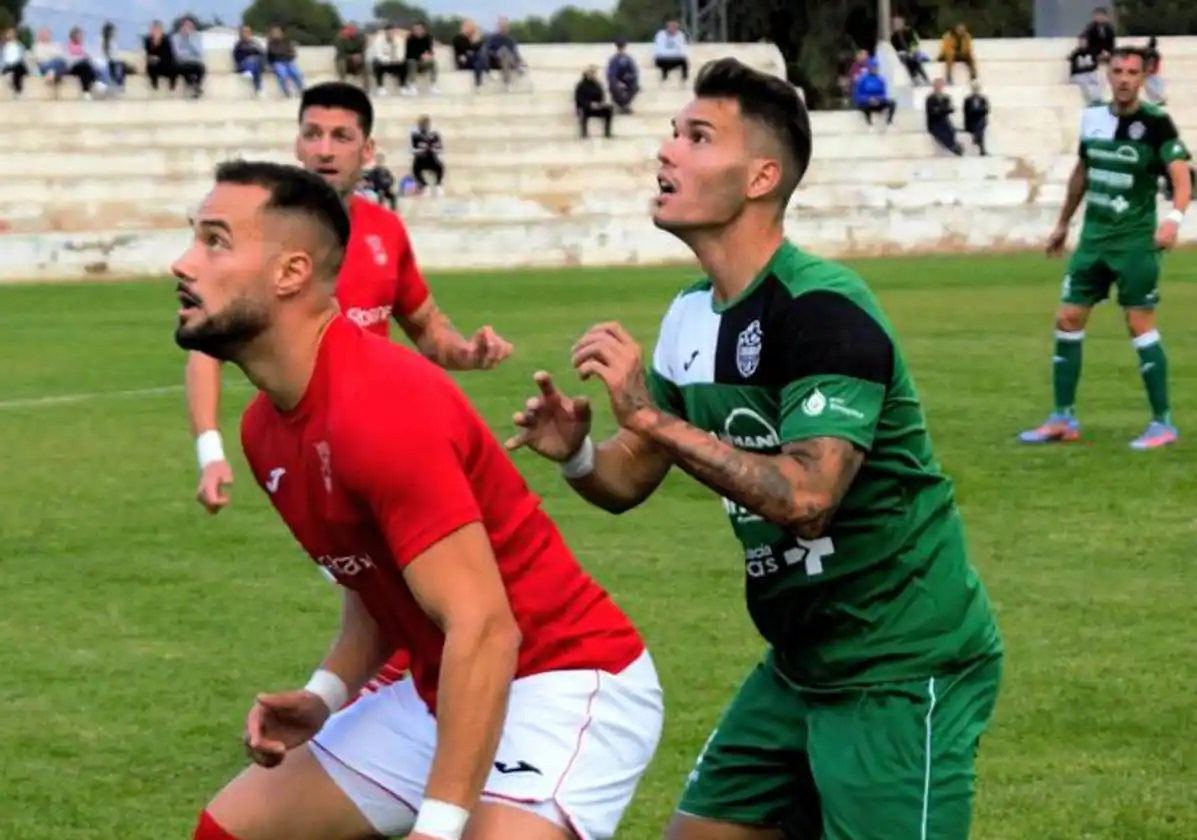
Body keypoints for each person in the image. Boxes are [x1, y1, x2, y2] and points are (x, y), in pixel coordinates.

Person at [507, 57, 1002, 840]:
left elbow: (807, 498)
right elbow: (628, 478)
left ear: (762, 176)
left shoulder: (824, 309)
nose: (667, 151)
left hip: (900, 663)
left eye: (697, 138)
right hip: (798, 661)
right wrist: (576, 453)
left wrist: (651, 417)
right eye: (672, 133)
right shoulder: (689, 318)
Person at [174, 159, 662, 840]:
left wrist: (437, 826)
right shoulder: (264, 429)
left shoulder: (378, 406)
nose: (183, 263)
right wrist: (325, 695)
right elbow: (376, 585)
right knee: (226, 830)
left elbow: (487, 631)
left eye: (215, 241)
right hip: (447, 686)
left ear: (289, 274)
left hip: (562, 680)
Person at [184, 83, 512, 692]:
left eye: (341, 136)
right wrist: (211, 452)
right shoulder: (266, 241)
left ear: (369, 150)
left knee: (424, 600)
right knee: (390, 597)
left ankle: (398, 706)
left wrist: (468, 352)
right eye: (312, 133)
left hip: (387, 443)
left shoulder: (386, 231)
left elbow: (426, 328)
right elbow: (206, 347)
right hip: (317, 453)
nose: (324, 149)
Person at [1020, 47, 1190, 450]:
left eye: (1133, 72)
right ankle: (1063, 418)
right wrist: (1063, 224)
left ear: (1143, 78)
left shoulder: (1156, 123)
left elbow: (1183, 179)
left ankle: (1162, 423)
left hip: (1134, 244)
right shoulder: (1093, 117)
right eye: (1118, 71)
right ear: (1107, 75)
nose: (1125, 79)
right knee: (1067, 319)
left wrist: (1173, 221)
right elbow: (1082, 172)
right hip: (1093, 241)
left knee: (1139, 325)